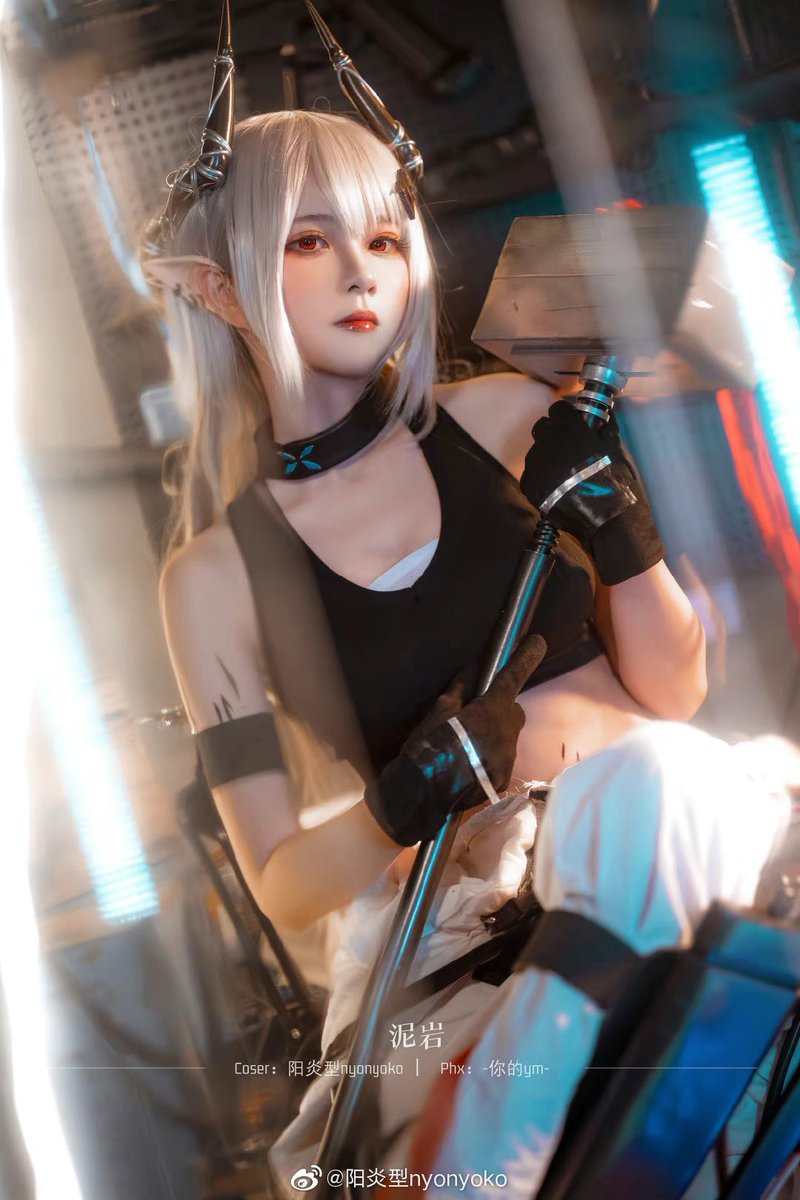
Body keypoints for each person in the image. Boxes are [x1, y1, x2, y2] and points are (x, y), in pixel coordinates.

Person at [145, 3, 795, 1194]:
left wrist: (621, 532)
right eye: (307, 242)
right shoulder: (211, 581)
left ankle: (495, 1140)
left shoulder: (504, 419)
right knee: (406, 1128)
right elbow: (282, 883)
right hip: (460, 929)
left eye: (383, 238)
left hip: (676, 838)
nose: (361, 271)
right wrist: (399, 803)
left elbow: (674, 688)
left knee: (654, 779)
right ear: (220, 289)